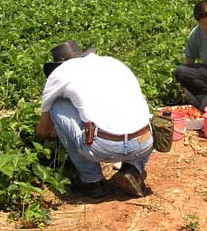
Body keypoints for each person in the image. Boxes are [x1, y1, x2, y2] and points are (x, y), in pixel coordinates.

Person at [35, 40, 154, 198]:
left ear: (58, 65)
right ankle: (133, 169)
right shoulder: (113, 63)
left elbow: (43, 130)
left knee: (55, 105)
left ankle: (92, 181)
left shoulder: (59, 74)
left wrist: (36, 148)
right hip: (144, 143)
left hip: (104, 148)